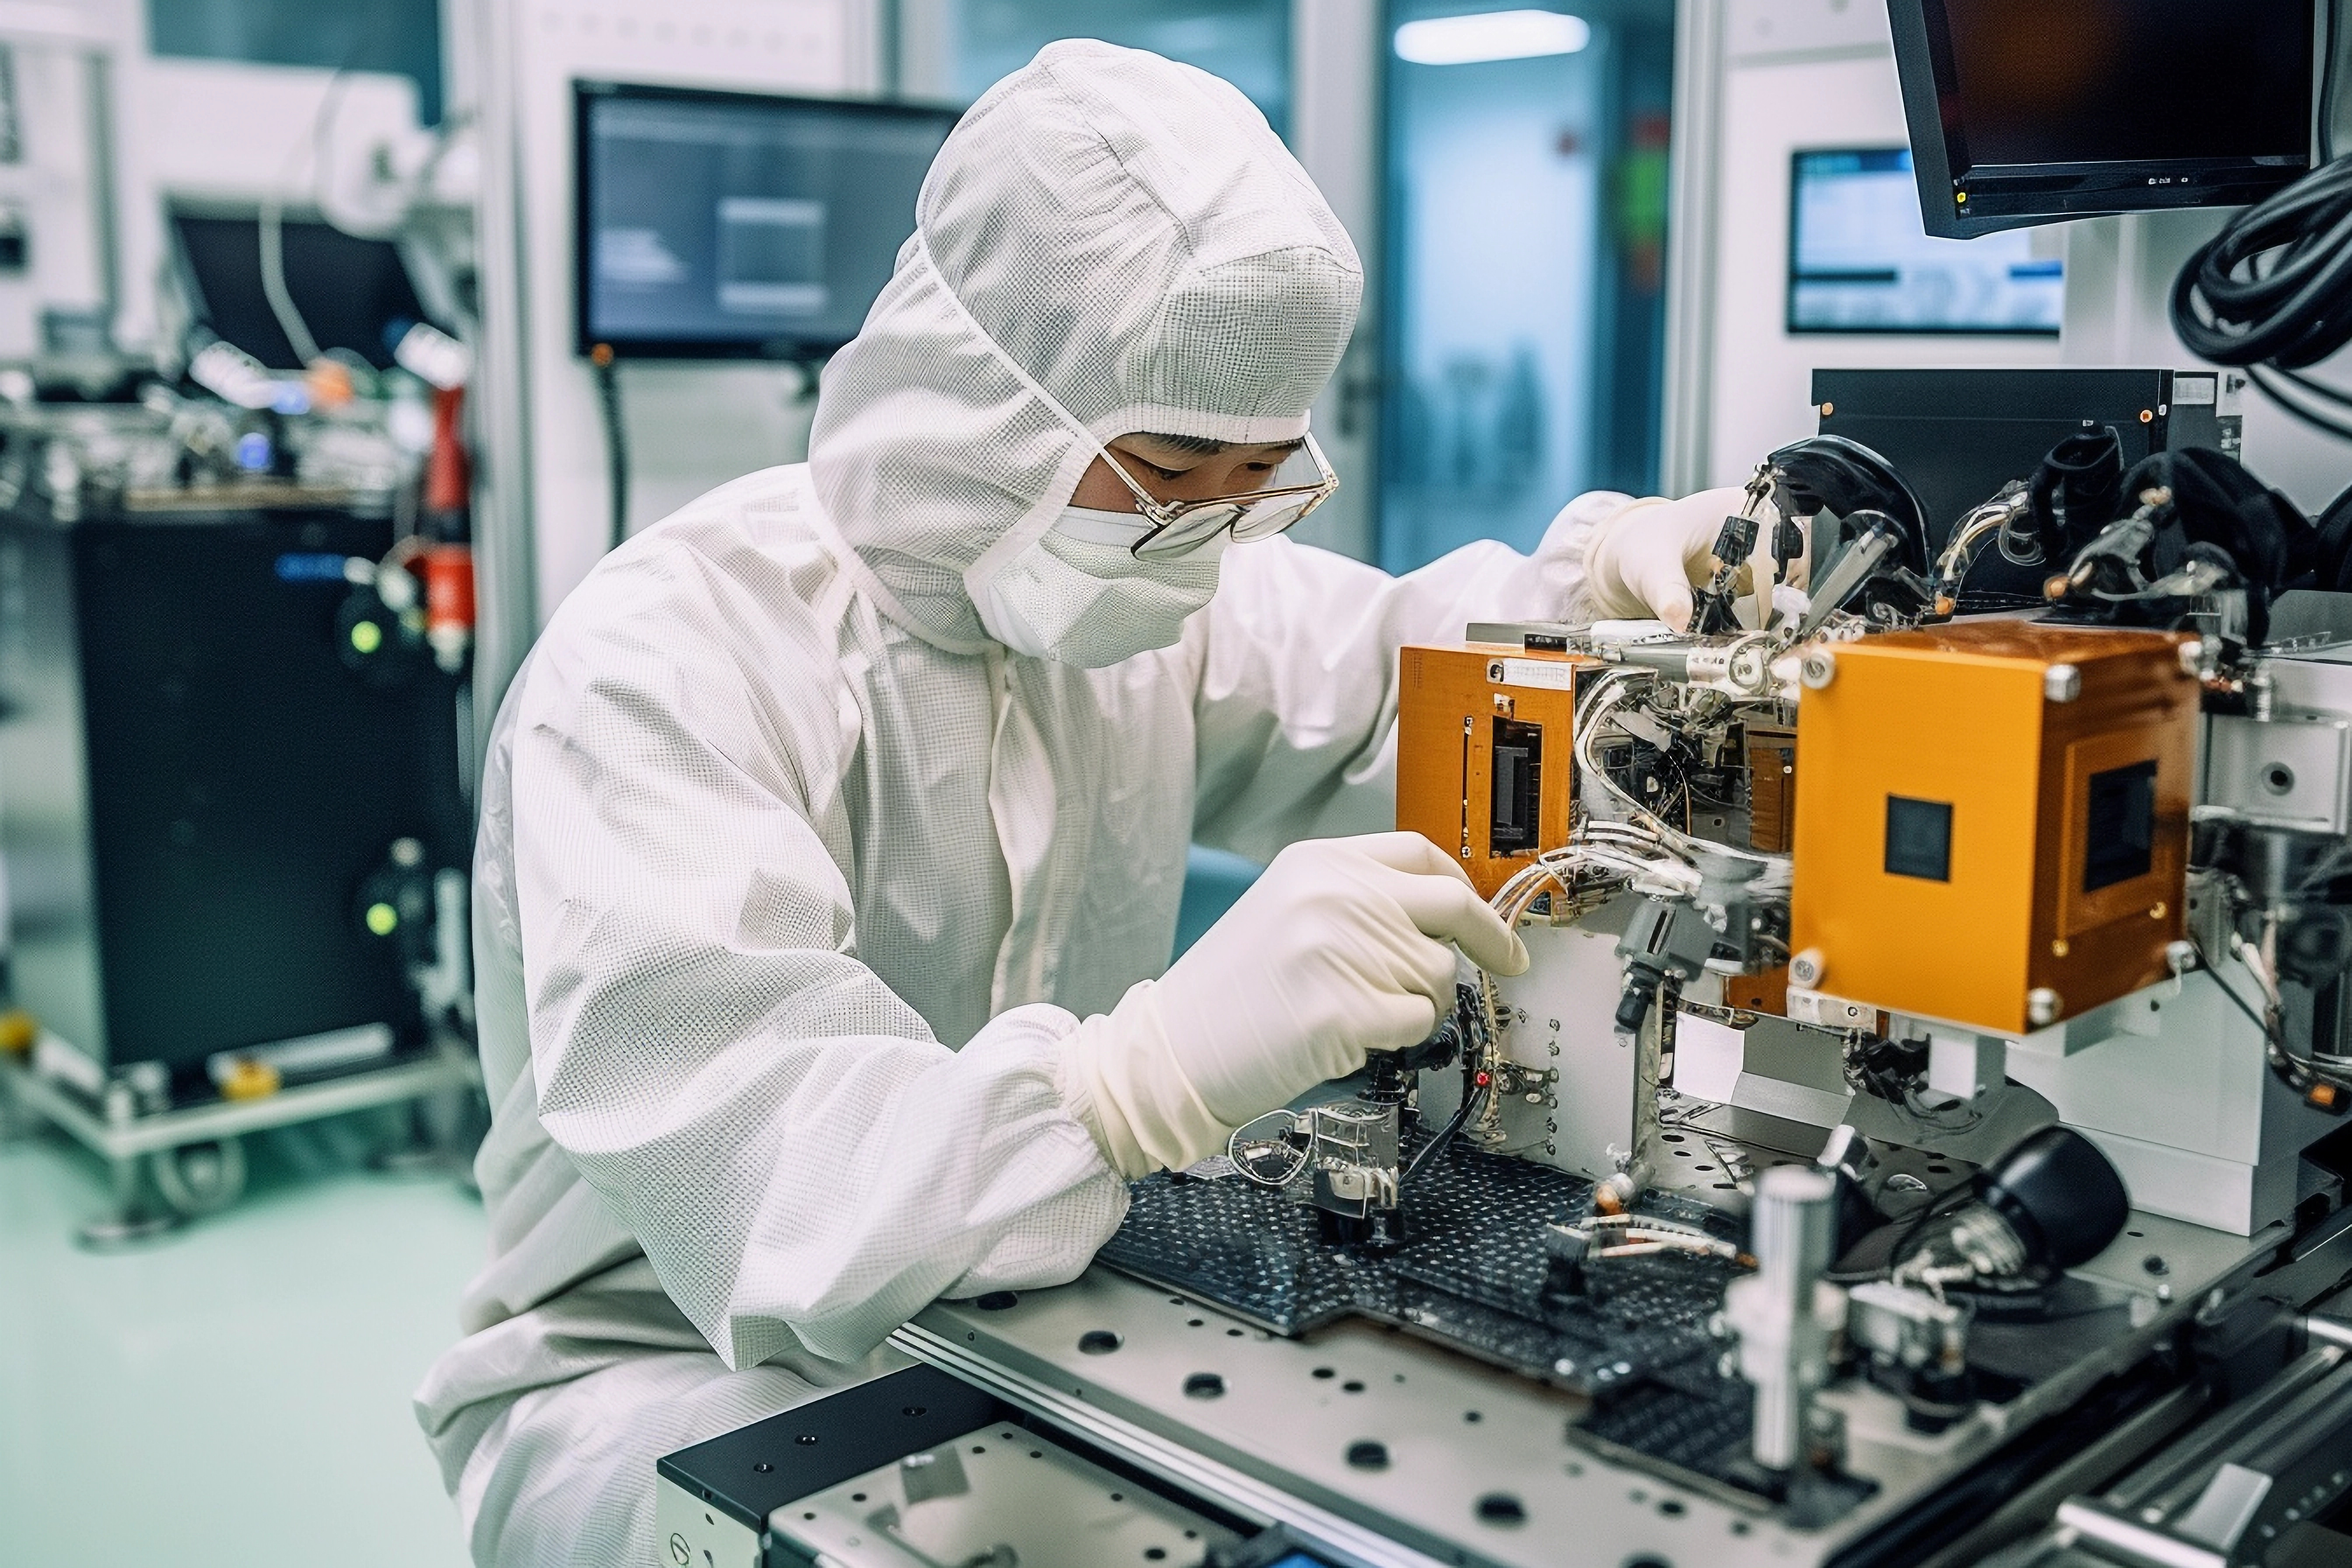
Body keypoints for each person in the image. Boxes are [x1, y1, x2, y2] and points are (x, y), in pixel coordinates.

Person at [414, 40, 1780, 1567]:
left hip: (1033, 1310)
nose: (1209, 533)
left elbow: (1409, 696)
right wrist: (1132, 1084)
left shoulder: (1139, 601)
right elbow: (777, 1196)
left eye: (1259, 479)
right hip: (670, 1368)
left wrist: (1603, 609)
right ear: (986, 408)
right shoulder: (663, 671)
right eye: (1173, 469)